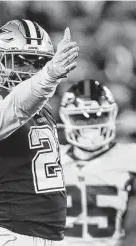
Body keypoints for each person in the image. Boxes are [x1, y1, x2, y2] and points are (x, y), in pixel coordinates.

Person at [0, 19, 79, 246]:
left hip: (53, 237)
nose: (32, 70)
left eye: (39, 63)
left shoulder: (41, 108)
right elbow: (9, 112)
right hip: (13, 236)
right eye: (22, 62)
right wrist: (47, 77)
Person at [58, 79, 136, 246]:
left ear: (112, 115)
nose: (90, 126)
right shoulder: (50, 156)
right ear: (66, 118)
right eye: (81, 118)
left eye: (98, 116)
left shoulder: (128, 156)